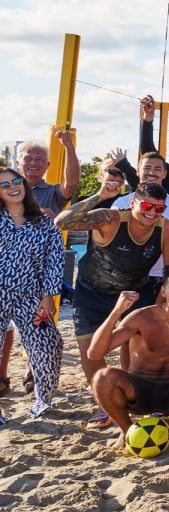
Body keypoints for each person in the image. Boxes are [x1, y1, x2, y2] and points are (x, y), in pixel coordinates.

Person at [56, 180, 169, 427]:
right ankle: (106, 407)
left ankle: (138, 400)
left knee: (139, 351)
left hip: (136, 291)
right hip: (92, 292)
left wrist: (159, 307)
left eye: (159, 208)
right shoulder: (110, 219)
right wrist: (98, 196)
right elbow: (61, 222)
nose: (152, 213)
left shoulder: (166, 229)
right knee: (92, 353)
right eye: (146, 205)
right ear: (133, 202)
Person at [87, 265, 169, 446]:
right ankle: (128, 431)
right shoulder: (142, 316)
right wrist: (116, 312)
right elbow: (95, 353)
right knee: (102, 378)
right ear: (163, 291)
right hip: (138, 388)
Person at [0, 166, 64, 419]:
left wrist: (48, 296)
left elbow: (55, 260)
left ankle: (43, 400)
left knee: (49, 345)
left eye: (16, 181)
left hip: (31, 296)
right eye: (4, 185)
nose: (12, 187)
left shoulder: (44, 222)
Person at [112, 152, 169, 285]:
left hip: (158, 275)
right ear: (137, 171)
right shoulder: (121, 203)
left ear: (165, 173)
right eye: (147, 168)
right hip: (123, 274)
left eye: (157, 169)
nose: (151, 173)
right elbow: (115, 240)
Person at [17, 133, 79, 215]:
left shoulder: (53, 193)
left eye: (39, 159)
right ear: (18, 163)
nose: (33, 163)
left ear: (48, 165)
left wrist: (68, 146)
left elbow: (71, 183)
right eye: (28, 158)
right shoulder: (6, 188)